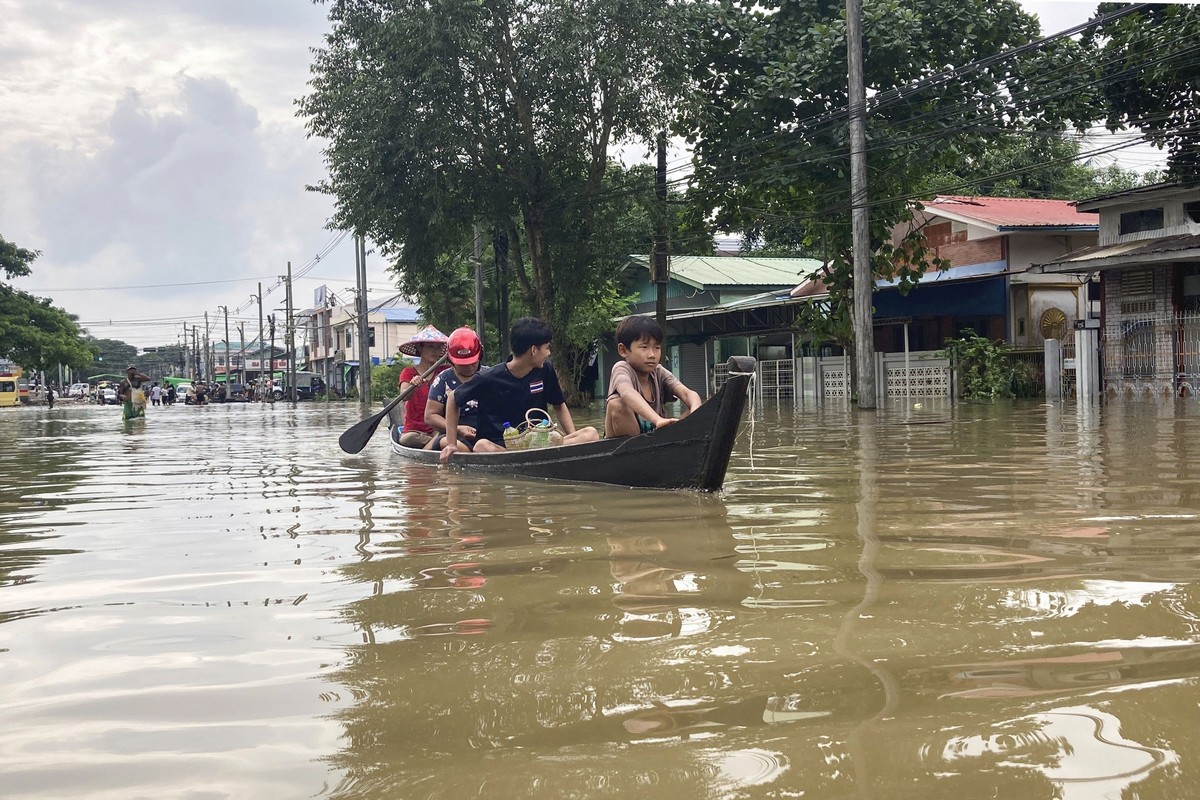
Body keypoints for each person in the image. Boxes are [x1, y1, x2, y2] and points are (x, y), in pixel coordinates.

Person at [440, 317, 600, 461]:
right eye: (547, 348)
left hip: (541, 442)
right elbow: (453, 398)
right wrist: (452, 444)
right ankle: (526, 459)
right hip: (503, 447)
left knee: (590, 433)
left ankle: (537, 458)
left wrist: (571, 439)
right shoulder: (488, 378)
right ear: (533, 350)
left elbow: (559, 405)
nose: (549, 353)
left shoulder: (545, 371)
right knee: (481, 446)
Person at [604, 315, 702, 438]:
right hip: (628, 439)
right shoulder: (621, 368)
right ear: (623, 350)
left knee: (696, 411)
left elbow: (689, 394)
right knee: (617, 404)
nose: (652, 355)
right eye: (644, 347)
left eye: (657, 348)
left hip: (654, 436)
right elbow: (627, 393)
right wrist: (657, 420)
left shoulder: (658, 372)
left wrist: (696, 415)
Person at [424, 327, 484, 452]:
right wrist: (457, 428)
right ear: (451, 360)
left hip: (485, 435)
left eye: (472, 362)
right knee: (458, 448)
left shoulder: (489, 376)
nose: (468, 367)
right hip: (452, 435)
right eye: (463, 364)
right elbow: (430, 416)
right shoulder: (443, 379)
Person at [395, 325, 451, 449]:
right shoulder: (409, 372)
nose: (435, 351)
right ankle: (434, 444)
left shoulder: (445, 371)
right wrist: (413, 385)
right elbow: (403, 396)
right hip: (414, 432)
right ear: (420, 348)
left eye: (438, 347)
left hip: (438, 429)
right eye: (430, 346)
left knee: (442, 435)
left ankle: (434, 443)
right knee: (408, 439)